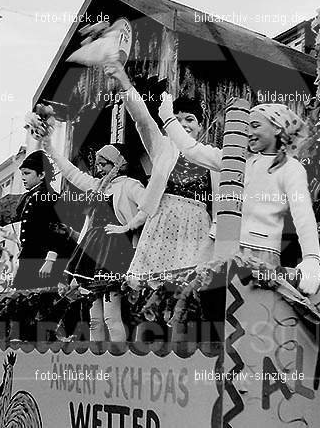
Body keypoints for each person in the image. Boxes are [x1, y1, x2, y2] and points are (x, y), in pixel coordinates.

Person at [157, 94, 320, 296]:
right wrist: (167, 117)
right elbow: (193, 150)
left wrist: (312, 260)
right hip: (217, 249)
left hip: (257, 256)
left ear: (277, 128)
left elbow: (303, 215)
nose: (249, 133)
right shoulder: (236, 160)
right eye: (247, 127)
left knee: (247, 317)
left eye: (255, 125)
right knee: (202, 311)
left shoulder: (290, 168)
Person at [105, 63, 221, 342]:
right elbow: (143, 120)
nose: (183, 124)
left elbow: (221, 208)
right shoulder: (162, 147)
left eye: (190, 119)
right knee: (153, 299)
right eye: (177, 118)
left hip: (197, 234)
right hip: (162, 229)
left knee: (186, 303)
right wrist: (124, 84)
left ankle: (184, 363)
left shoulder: (213, 157)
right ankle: (146, 359)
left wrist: (212, 239)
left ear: (200, 125)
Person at [42, 139, 146, 342]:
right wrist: (49, 148)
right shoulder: (96, 186)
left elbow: (148, 208)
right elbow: (71, 173)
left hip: (115, 251)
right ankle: (96, 357)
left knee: (110, 315)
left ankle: (116, 357)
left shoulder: (130, 185)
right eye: (97, 164)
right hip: (91, 253)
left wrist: (127, 227)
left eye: (103, 164)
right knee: (94, 318)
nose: (98, 169)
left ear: (118, 163)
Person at [13, 150, 78, 290]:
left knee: (40, 302)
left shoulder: (50, 197)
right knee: (23, 302)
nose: (23, 178)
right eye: (22, 174)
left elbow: (58, 230)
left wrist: (50, 260)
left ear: (42, 175)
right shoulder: (29, 197)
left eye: (27, 173)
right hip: (29, 257)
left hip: (44, 260)